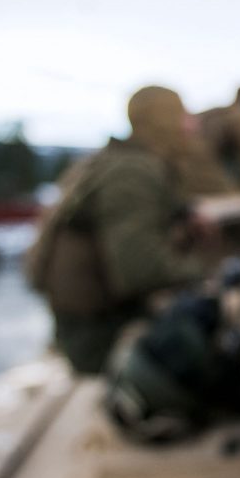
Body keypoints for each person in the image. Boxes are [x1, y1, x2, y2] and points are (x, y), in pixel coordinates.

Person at [26, 86, 208, 374]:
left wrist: (182, 216)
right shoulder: (133, 172)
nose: (193, 124)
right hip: (97, 340)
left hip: (95, 325)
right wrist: (208, 270)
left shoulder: (123, 161)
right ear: (162, 120)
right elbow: (139, 270)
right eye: (183, 115)